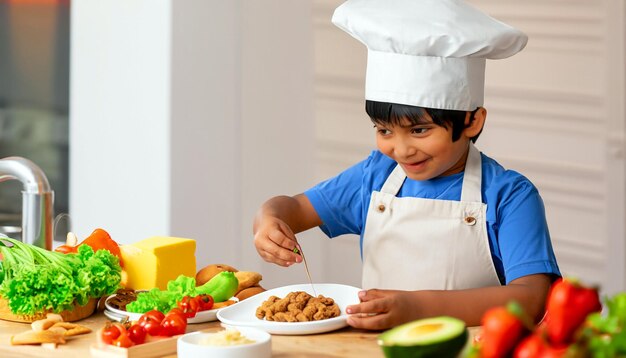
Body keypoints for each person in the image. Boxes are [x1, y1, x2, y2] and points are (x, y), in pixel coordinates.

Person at [253, 0, 561, 330]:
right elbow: (294, 208)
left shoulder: (509, 195)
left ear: (471, 121)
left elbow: (530, 299)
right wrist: (268, 220)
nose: (401, 149)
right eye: (384, 130)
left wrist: (417, 306)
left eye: (419, 130)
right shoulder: (375, 175)